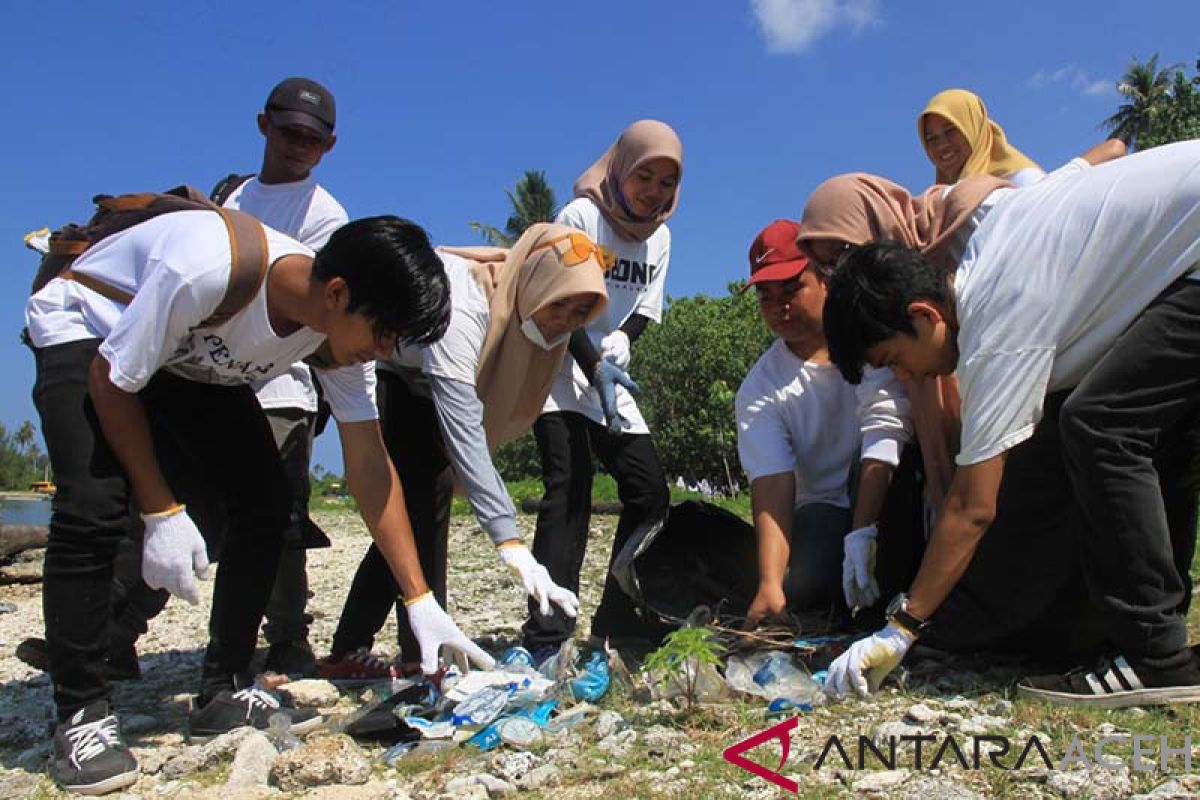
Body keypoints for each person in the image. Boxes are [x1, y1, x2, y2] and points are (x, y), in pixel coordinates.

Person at [26, 212, 492, 794]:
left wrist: (420, 601)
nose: (383, 352)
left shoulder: (340, 337)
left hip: (185, 361)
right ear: (338, 293)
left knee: (269, 505)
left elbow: (371, 468)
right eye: (383, 335)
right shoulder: (206, 269)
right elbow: (112, 379)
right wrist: (162, 512)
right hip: (92, 330)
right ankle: (81, 711)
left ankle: (221, 689)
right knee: (92, 505)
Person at [818, 139, 1200, 707]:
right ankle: (1130, 638)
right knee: (1134, 431)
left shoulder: (996, 323)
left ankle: (1157, 658)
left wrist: (903, 627)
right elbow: (1093, 162)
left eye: (894, 361)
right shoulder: (997, 233)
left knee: (1100, 426)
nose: (906, 377)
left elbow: (973, 508)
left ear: (923, 316)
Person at [319, 223, 610, 679]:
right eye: (559, 304)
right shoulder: (466, 305)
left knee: (420, 507)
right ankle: (401, 651)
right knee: (418, 500)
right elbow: (465, 431)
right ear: (537, 283)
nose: (564, 321)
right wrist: (508, 539)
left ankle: (390, 647)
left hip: (429, 380)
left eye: (581, 312)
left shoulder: (529, 316)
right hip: (394, 368)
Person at [523, 120, 682, 660]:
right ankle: (549, 634)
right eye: (645, 176)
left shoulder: (660, 237)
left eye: (666, 181)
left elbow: (646, 309)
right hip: (558, 364)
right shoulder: (582, 216)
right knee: (570, 490)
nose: (653, 191)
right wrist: (593, 363)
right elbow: (560, 300)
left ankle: (617, 614)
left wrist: (622, 342)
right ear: (621, 168)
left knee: (650, 494)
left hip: (609, 371)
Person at [219, 76, 348, 677]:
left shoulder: (326, 217)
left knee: (278, 519)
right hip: (213, 376)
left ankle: (287, 635)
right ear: (263, 124)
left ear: (328, 146)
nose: (300, 145)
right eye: (291, 131)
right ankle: (118, 631)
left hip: (283, 386)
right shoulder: (230, 199)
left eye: (313, 139)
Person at [736, 220, 915, 624]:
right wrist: (770, 584)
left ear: (826, 281)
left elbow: (884, 432)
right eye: (766, 296)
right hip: (823, 506)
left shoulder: (873, 344)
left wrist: (863, 532)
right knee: (808, 589)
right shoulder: (760, 388)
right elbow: (772, 482)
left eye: (792, 289)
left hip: (884, 484)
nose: (780, 307)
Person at [918, 88, 1045, 187]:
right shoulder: (940, 203)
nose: (941, 145)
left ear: (974, 129)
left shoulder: (1023, 181)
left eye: (950, 130)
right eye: (931, 138)